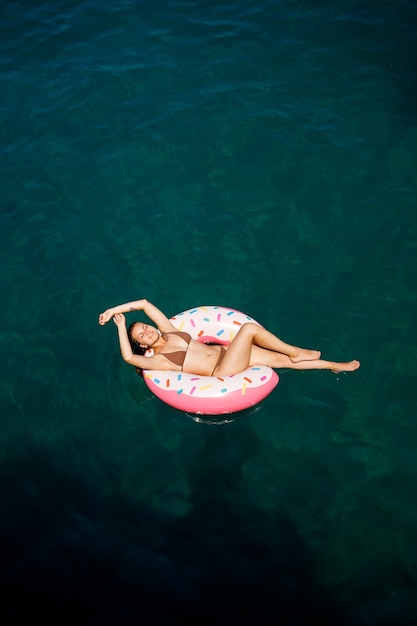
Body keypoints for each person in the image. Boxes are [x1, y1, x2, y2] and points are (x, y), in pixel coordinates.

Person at [98, 299, 360, 376]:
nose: (147, 330)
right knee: (249, 330)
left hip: (228, 354)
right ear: (143, 343)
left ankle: (334, 366)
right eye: (141, 334)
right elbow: (128, 356)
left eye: (144, 326)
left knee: (283, 362)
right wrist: (120, 326)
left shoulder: (169, 329)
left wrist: (113, 310)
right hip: (222, 370)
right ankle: (295, 350)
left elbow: (144, 303)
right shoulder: (159, 361)